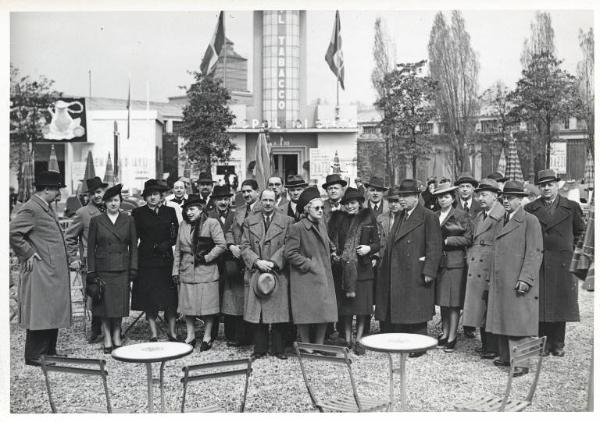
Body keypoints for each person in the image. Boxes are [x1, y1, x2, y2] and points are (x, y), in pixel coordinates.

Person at [9, 171, 71, 366]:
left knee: (51, 311)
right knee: (41, 311)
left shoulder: (42, 206)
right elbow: (13, 232)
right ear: (47, 190)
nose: (58, 194)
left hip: (51, 269)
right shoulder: (32, 208)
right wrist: (27, 253)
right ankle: (35, 355)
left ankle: (49, 351)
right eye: (56, 190)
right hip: (41, 269)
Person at [375, 179, 442, 357]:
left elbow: (434, 246)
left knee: (416, 308)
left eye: (406, 196)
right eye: (400, 196)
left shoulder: (428, 216)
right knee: (404, 307)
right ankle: (404, 342)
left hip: (416, 269)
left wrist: (429, 270)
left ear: (417, 197)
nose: (402, 200)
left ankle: (419, 345)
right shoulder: (400, 215)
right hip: (399, 268)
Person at [525, 169, 585, 357]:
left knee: (561, 302)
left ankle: (558, 343)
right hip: (540, 261)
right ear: (539, 187)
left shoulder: (572, 207)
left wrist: (572, 252)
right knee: (540, 302)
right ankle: (543, 343)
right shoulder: (531, 208)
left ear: (557, 185)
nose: (546, 188)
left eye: (550, 184)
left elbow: (581, 233)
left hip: (563, 262)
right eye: (542, 185)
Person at [486, 181, 543, 377]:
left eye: (510, 198)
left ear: (521, 199)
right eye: (504, 198)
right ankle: (506, 356)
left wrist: (526, 279)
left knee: (519, 321)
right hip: (502, 278)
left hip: (518, 278)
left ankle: (521, 363)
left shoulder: (530, 220)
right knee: (503, 317)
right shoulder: (502, 219)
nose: (506, 201)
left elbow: (535, 252)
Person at [240, 189, 294, 359]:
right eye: (265, 200)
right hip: (257, 271)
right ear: (260, 201)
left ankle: (278, 349)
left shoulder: (287, 221)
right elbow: (244, 246)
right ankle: (260, 349)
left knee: (278, 312)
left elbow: (289, 245)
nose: (268, 203)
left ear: (276, 200)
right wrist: (257, 261)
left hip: (277, 272)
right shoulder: (250, 221)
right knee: (259, 313)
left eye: (271, 200)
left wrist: (274, 262)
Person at [87, 184, 138, 353]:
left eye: (116, 200)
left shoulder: (128, 220)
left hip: (122, 268)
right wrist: (92, 271)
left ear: (120, 202)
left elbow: (134, 247)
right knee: (104, 305)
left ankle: (117, 334)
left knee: (119, 305)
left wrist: (133, 268)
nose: (113, 204)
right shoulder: (96, 221)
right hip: (103, 269)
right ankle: (107, 336)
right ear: (105, 203)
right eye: (110, 201)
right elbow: (91, 248)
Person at [329, 187, 379, 354]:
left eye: (353, 203)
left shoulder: (368, 217)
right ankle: (348, 339)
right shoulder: (338, 218)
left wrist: (368, 248)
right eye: (347, 203)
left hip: (363, 269)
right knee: (347, 309)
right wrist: (335, 254)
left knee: (362, 308)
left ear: (359, 203)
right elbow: (332, 240)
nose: (350, 206)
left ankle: (360, 340)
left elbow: (377, 243)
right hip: (344, 270)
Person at [285, 186, 338, 346]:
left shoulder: (321, 224)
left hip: (323, 275)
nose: (321, 211)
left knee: (324, 311)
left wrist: (333, 250)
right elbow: (290, 253)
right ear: (307, 210)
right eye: (317, 208)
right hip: (305, 277)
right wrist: (309, 264)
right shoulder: (297, 227)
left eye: (322, 207)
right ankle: (306, 344)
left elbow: (327, 241)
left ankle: (319, 343)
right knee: (305, 313)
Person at [173, 194, 226, 350]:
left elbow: (221, 245)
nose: (189, 213)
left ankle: (207, 336)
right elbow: (178, 249)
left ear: (201, 209)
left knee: (207, 306)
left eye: (192, 209)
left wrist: (207, 257)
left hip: (206, 272)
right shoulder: (183, 225)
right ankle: (190, 336)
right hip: (187, 270)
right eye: (187, 210)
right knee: (188, 305)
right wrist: (175, 270)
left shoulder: (211, 223)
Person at [131, 179, 179, 342]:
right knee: (150, 296)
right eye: (149, 195)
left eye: (156, 194)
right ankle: (153, 333)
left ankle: (172, 331)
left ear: (161, 196)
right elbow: (134, 237)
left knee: (170, 297)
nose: (152, 198)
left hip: (166, 259)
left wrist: (167, 244)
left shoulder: (169, 212)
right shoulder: (138, 213)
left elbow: (175, 234)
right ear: (145, 197)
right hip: (147, 260)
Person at [462, 179, 504, 359]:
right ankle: (486, 345)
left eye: (485, 195)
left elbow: (501, 245)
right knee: (480, 307)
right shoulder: (480, 215)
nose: (480, 198)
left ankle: (492, 347)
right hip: (477, 266)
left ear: (495, 197)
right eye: (479, 195)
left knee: (490, 308)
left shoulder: (501, 216)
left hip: (489, 268)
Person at [65, 176, 108, 343]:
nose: (97, 196)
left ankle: (108, 329)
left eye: (99, 192)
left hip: (110, 261)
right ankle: (97, 329)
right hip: (91, 263)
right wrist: (73, 258)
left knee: (110, 295)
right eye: (93, 193)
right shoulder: (83, 213)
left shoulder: (111, 209)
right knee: (95, 295)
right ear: (89, 196)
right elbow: (69, 237)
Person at [432, 181, 473, 353]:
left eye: (446, 196)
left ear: (452, 198)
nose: (443, 200)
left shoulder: (461, 215)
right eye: (440, 197)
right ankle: (444, 332)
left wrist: (448, 241)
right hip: (439, 263)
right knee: (443, 301)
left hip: (455, 262)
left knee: (454, 301)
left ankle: (452, 336)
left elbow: (468, 238)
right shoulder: (434, 215)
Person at [224, 179, 261, 347]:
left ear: (257, 191)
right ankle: (242, 337)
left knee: (256, 298)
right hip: (239, 260)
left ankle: (258, 338)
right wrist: (231, 245)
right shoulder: (238, 211)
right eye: (243, 192)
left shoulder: (264, 208)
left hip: (256, 259)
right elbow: (231, 231)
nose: (246, 194)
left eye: (249, 191)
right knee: (240, 299)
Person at [206, 185, 237, 342]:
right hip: (215, 262)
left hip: (231, 262)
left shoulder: (236, 215)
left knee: (230, 297)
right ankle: (210, 335)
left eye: (226, 199)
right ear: (214, 201)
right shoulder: (208, 216)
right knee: (213, 297)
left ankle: (231, 334)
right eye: (219, 199)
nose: (223, 202)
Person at [453, 172, 480, 339]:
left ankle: (470, 325)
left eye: (468, 187)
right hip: (456, 253)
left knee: (472, 289)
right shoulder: (452, 205)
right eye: (462, 187)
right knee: (455, 288)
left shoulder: (480, 205)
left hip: (475, 252)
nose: (464, 190)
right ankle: (451, 324)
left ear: (473, 189)